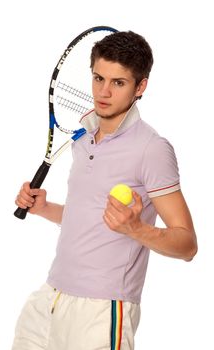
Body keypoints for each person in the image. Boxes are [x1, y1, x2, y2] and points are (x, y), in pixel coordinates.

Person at [12, 31, 198, 350]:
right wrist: (44, 208)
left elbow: (187, 245)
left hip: (101, 310)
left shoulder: (152, 149)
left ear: (140, 87)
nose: (103, 92)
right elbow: (92, 217)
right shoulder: (84, 137)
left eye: (118, 83)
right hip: (49, 299)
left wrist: (136, 228)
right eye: (99, 78)